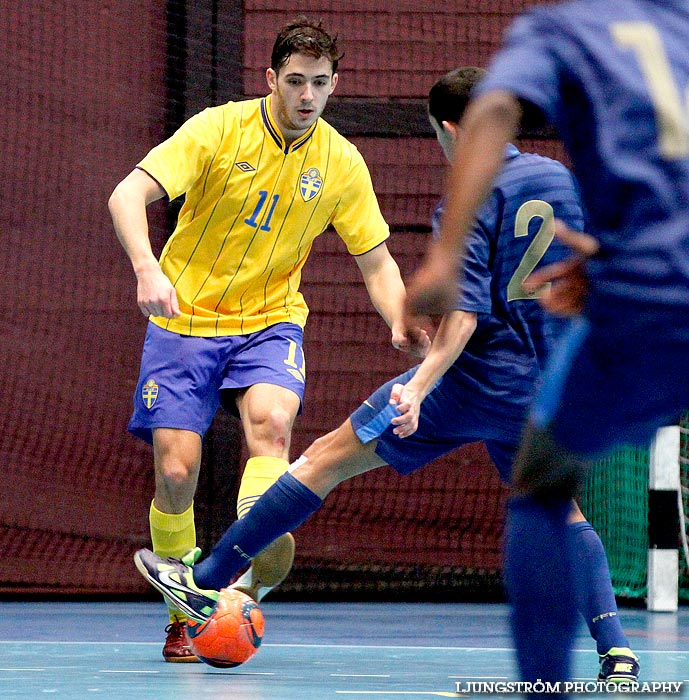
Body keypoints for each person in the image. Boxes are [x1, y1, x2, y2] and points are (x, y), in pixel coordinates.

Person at [133, 66, 638, 682]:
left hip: (470, 384)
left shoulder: (467, 197)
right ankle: (617, 649)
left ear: (453, 129)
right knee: (563, 512)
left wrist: (419, 385)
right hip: (543, 389)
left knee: (322, 461)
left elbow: (465, 317)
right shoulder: (561, 179)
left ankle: (204, 581)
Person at [109, 16, 429, 662]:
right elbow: (127, 194)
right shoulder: (218, 129)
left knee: (273, 429)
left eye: (318, 83)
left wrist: (400, 318)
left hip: (269, 321)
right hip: (184, 320)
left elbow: (376, 261)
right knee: (176, 471)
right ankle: (183, 611)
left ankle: (238, 581)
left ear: (334, 84)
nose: (306, 96)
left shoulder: (340, 161)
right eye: (294, 82)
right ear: (270, 80)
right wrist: (147, 268)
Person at [405, 2, 689, 694]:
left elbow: (493, 111)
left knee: (541, 479)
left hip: (648, 292)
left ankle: (543, 686)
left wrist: (444, 258)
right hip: (643, 267)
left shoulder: (560, 29)